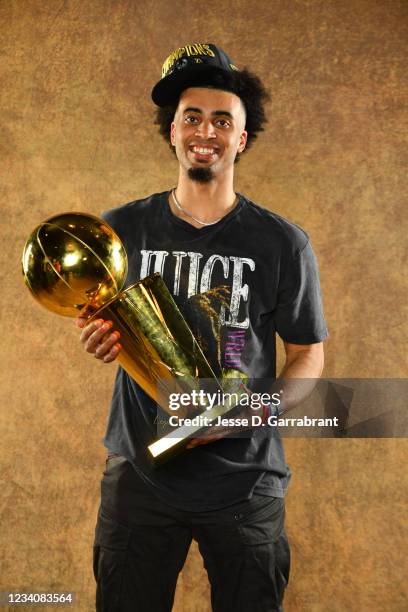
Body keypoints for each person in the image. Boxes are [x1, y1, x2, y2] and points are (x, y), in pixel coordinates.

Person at [76, 43, 328, 612]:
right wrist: (98, 339)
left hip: (246, 481)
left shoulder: (283, 243)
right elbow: (99, 322)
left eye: (222, 119)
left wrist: (250, 413)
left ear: (241, 139)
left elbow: (308, 356)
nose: (205, 130)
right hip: (140, 475)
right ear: (171, 131)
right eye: (191, 116)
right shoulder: (119, 230)